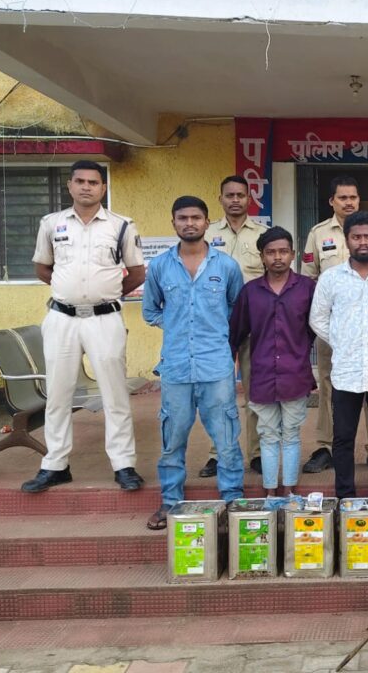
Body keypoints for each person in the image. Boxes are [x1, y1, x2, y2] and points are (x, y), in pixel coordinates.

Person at [22, 160, 146, 494]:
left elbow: (136, 273)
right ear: (70, 185)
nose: (86, 187)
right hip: (62, 318)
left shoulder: (121, 225)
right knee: (58, 394)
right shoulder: (52, 223)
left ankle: (123, 464)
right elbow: (42, 268)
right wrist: (71, 292)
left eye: (93, 182)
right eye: (80, 181)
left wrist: (104, 294)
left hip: (104, 319)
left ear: (103, 188)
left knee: (114, 394)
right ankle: (55, 464)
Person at [142, 196, 245, 531]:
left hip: (216, 366)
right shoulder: (160, 266)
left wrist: (217, 333)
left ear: (206, 222)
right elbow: (150, 310)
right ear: (173, 222)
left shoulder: (226, 266)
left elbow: (237, 310)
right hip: (175, 367)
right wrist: (175, 324)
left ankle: (232, 499)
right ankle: (170, 501)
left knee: (226, 439)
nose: (189, 223)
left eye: (196, 218)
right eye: (183, 218)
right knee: (172, 439)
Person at [309, 211, 368, 504]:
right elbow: (317, 318)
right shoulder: (331, 278)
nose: (363, 242)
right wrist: (341, 341)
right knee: (343, 438)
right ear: (347, 240)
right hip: (346, 371)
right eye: (356, 237)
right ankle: (345, 498)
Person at [300, 176, 368, 473]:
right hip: (332, 327)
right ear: (332, 201)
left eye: (353, 197)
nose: (349, 202)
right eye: (343, 198)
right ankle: (326, 446)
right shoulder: (318, 233)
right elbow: (309, 279)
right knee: (328, 385)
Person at [229, 226, 316, 497]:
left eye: (283, 251)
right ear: (262, 257)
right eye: (271, 252)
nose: (277, 257)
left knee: (291, 433)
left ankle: (288, 491)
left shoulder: (307, 288)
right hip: (262, 375)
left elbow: (316, 326)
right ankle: (270, 493)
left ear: (293, 254)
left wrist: (299, 350)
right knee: (267, 435)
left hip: (295, 375)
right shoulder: (250, 292)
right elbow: (236, 332)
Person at [199, 175, 268, 479]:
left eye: (241, 195)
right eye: (230, 195)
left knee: (256, 392)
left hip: (254, 325)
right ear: (221, 199)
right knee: (218, 393)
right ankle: (219, 453)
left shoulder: (263, 234)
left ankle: (257, 453)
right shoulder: (207, 234)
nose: (235, 200)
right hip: (216, 327)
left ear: (249, 198)